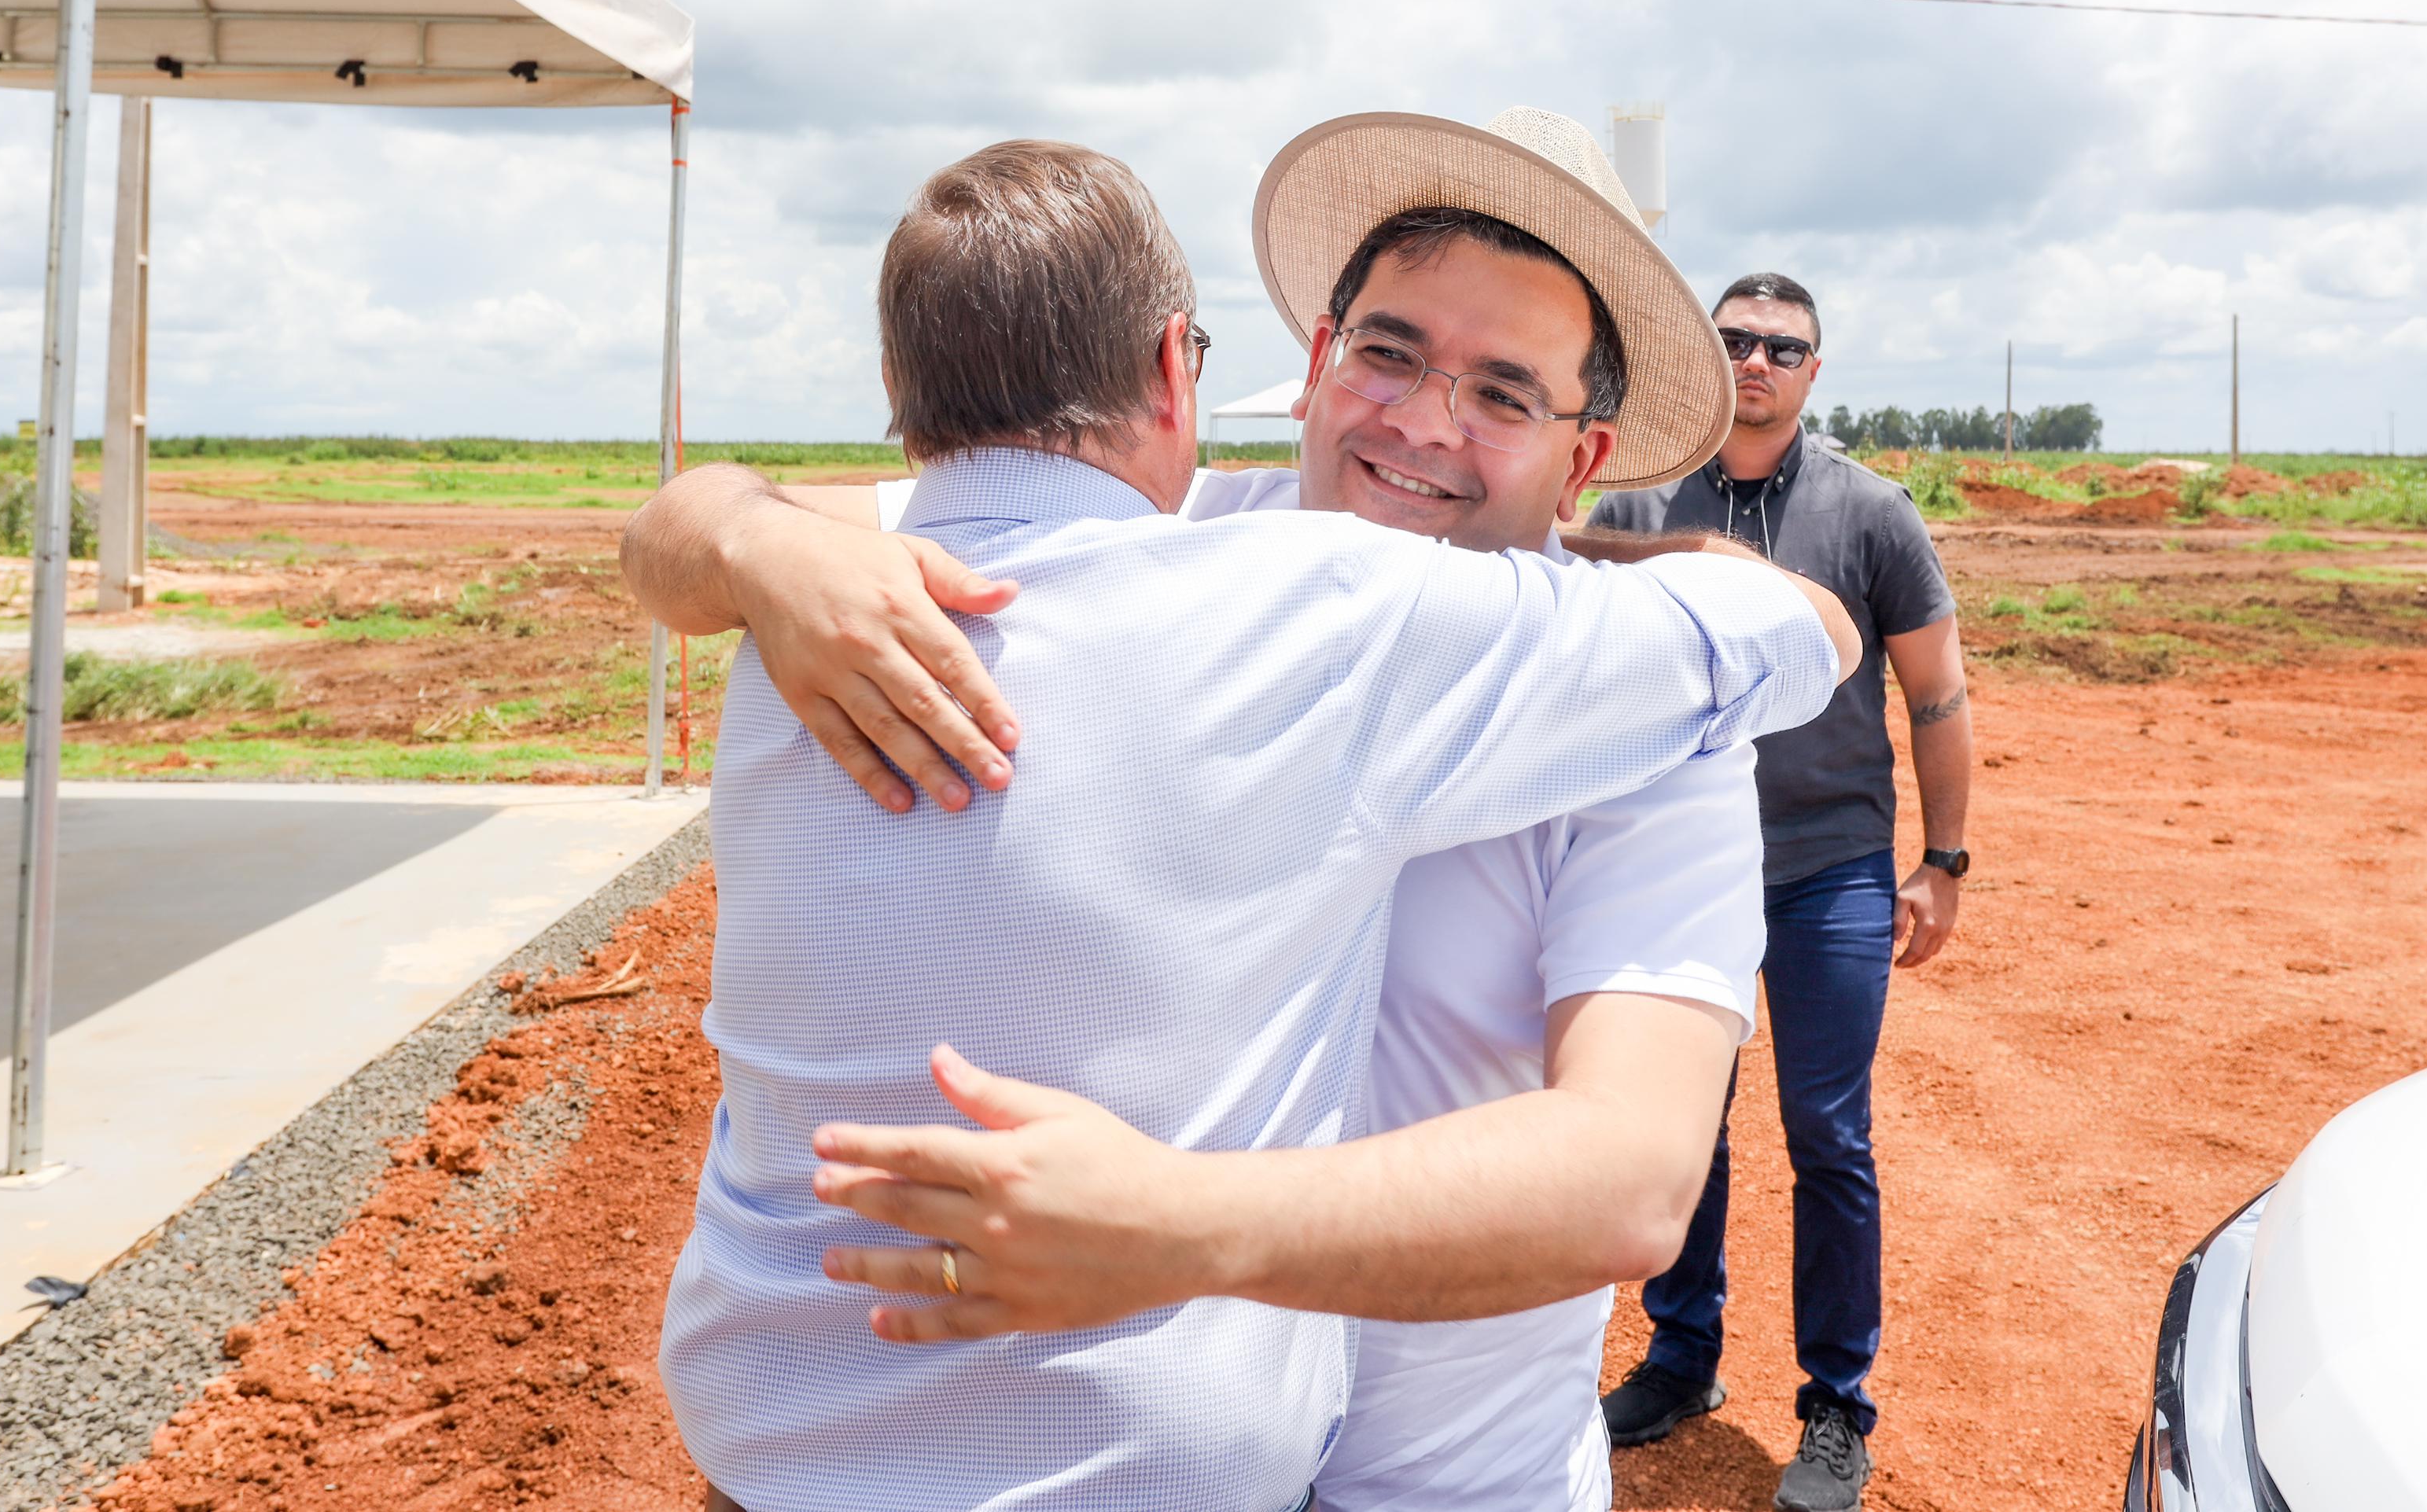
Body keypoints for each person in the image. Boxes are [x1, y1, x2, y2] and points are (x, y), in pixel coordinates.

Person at [628, 109, 1840, 1510]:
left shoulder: (1656, 724)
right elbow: (697, 525)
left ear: (1585, 459)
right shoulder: (1167, 528)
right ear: (1317, 363)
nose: (1427, 421)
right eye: (1391, 353)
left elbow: (1629, 1177)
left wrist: (1175, 1227)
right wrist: (751, 537)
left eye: (1506, 394)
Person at [1580, 270, 1975, 1512]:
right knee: (1684, 1124)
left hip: (1830, 874)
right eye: (1734, 341)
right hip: (1681, 866)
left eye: (1780, 347)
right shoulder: (1643, 500)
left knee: (1828, 1134)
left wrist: (1943, 859)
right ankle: (1681, 1357)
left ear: (1815, 369)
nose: (1754, 360)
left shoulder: (1870, 514)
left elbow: (1938, 696)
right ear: (1705, 359)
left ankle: (1836, 1403)